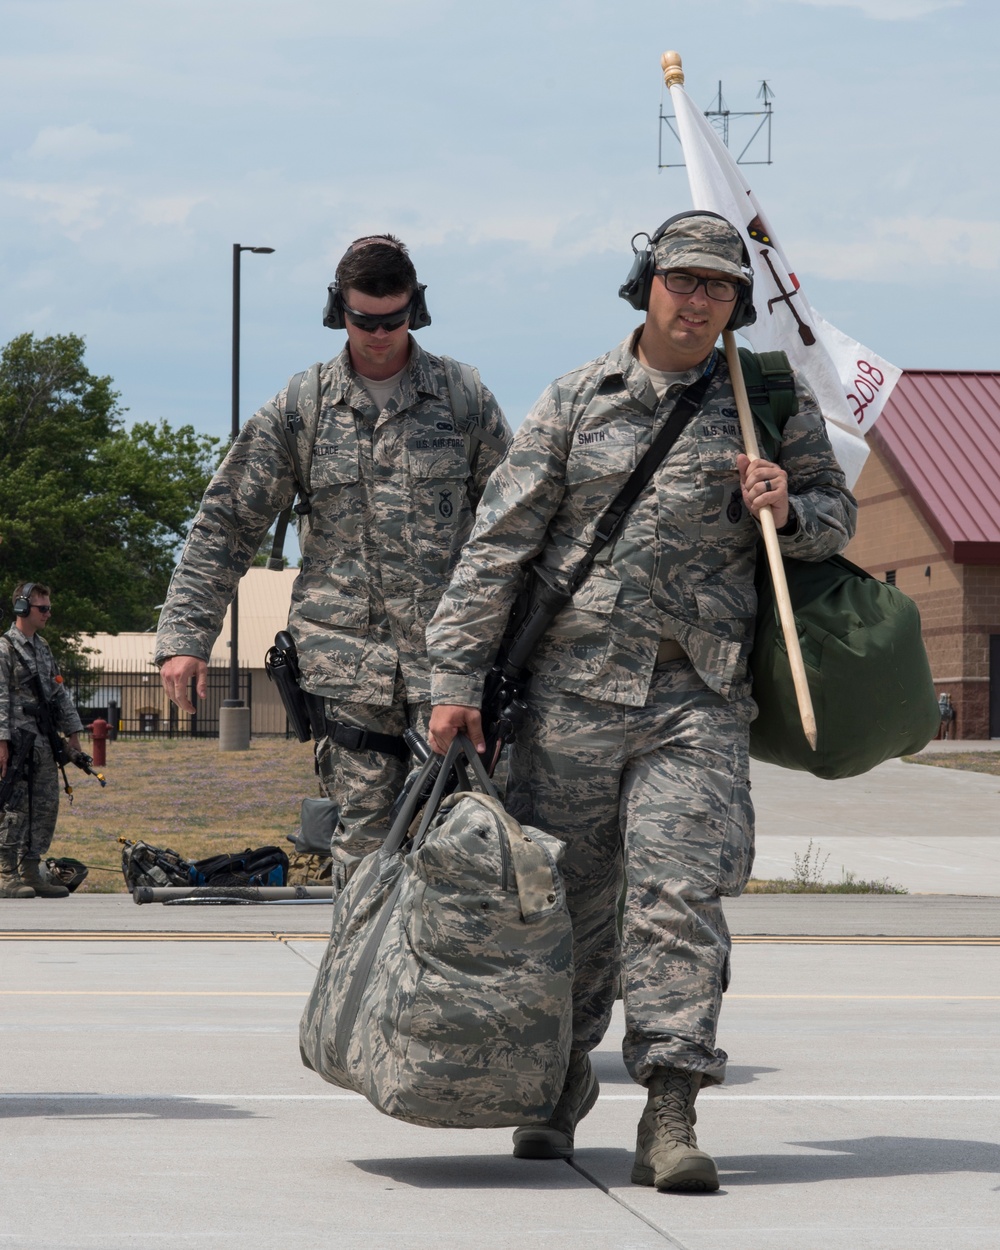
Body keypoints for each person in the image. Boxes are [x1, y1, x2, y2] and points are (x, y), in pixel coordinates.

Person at [426, 212, 857, 1192]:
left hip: (694, 700)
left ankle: (669, 1109)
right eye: (681, 279)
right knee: (568, 910)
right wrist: (453, 680)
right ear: (645, 284)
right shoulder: (579, 399)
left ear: (735, 304)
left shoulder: (764, 404)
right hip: (570, 699)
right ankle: (556, 1083)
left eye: (717, 285)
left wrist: (786, 505)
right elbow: (498, 544)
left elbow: (834, 519)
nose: (698, 298)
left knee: (677, 902)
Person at [155, 235, 512, 886]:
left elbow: (514, 529)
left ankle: (433, 992)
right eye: (363, 320)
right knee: (365, 869)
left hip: (450, 676)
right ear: (337, 311)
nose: (379, 335)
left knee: (460, 867)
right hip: (349, 683)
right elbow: (228, 521)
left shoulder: (464, 400)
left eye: (394, 319)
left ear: (416, 310)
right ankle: (363, 988)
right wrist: (185, 636)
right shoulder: (303, 408)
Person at [0, 582, 84, 898]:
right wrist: (2, 742)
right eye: (42, 608)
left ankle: (31, 871)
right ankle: (7, 874)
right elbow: (0, 697)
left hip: (43, 744)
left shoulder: (43, 647)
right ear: (23, 608)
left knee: (46, 806)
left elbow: (58, 693)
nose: (48, 613)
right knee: (15, 809)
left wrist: (73, 736)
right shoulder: (5, 649)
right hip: (17, 743)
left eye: (49, 607)